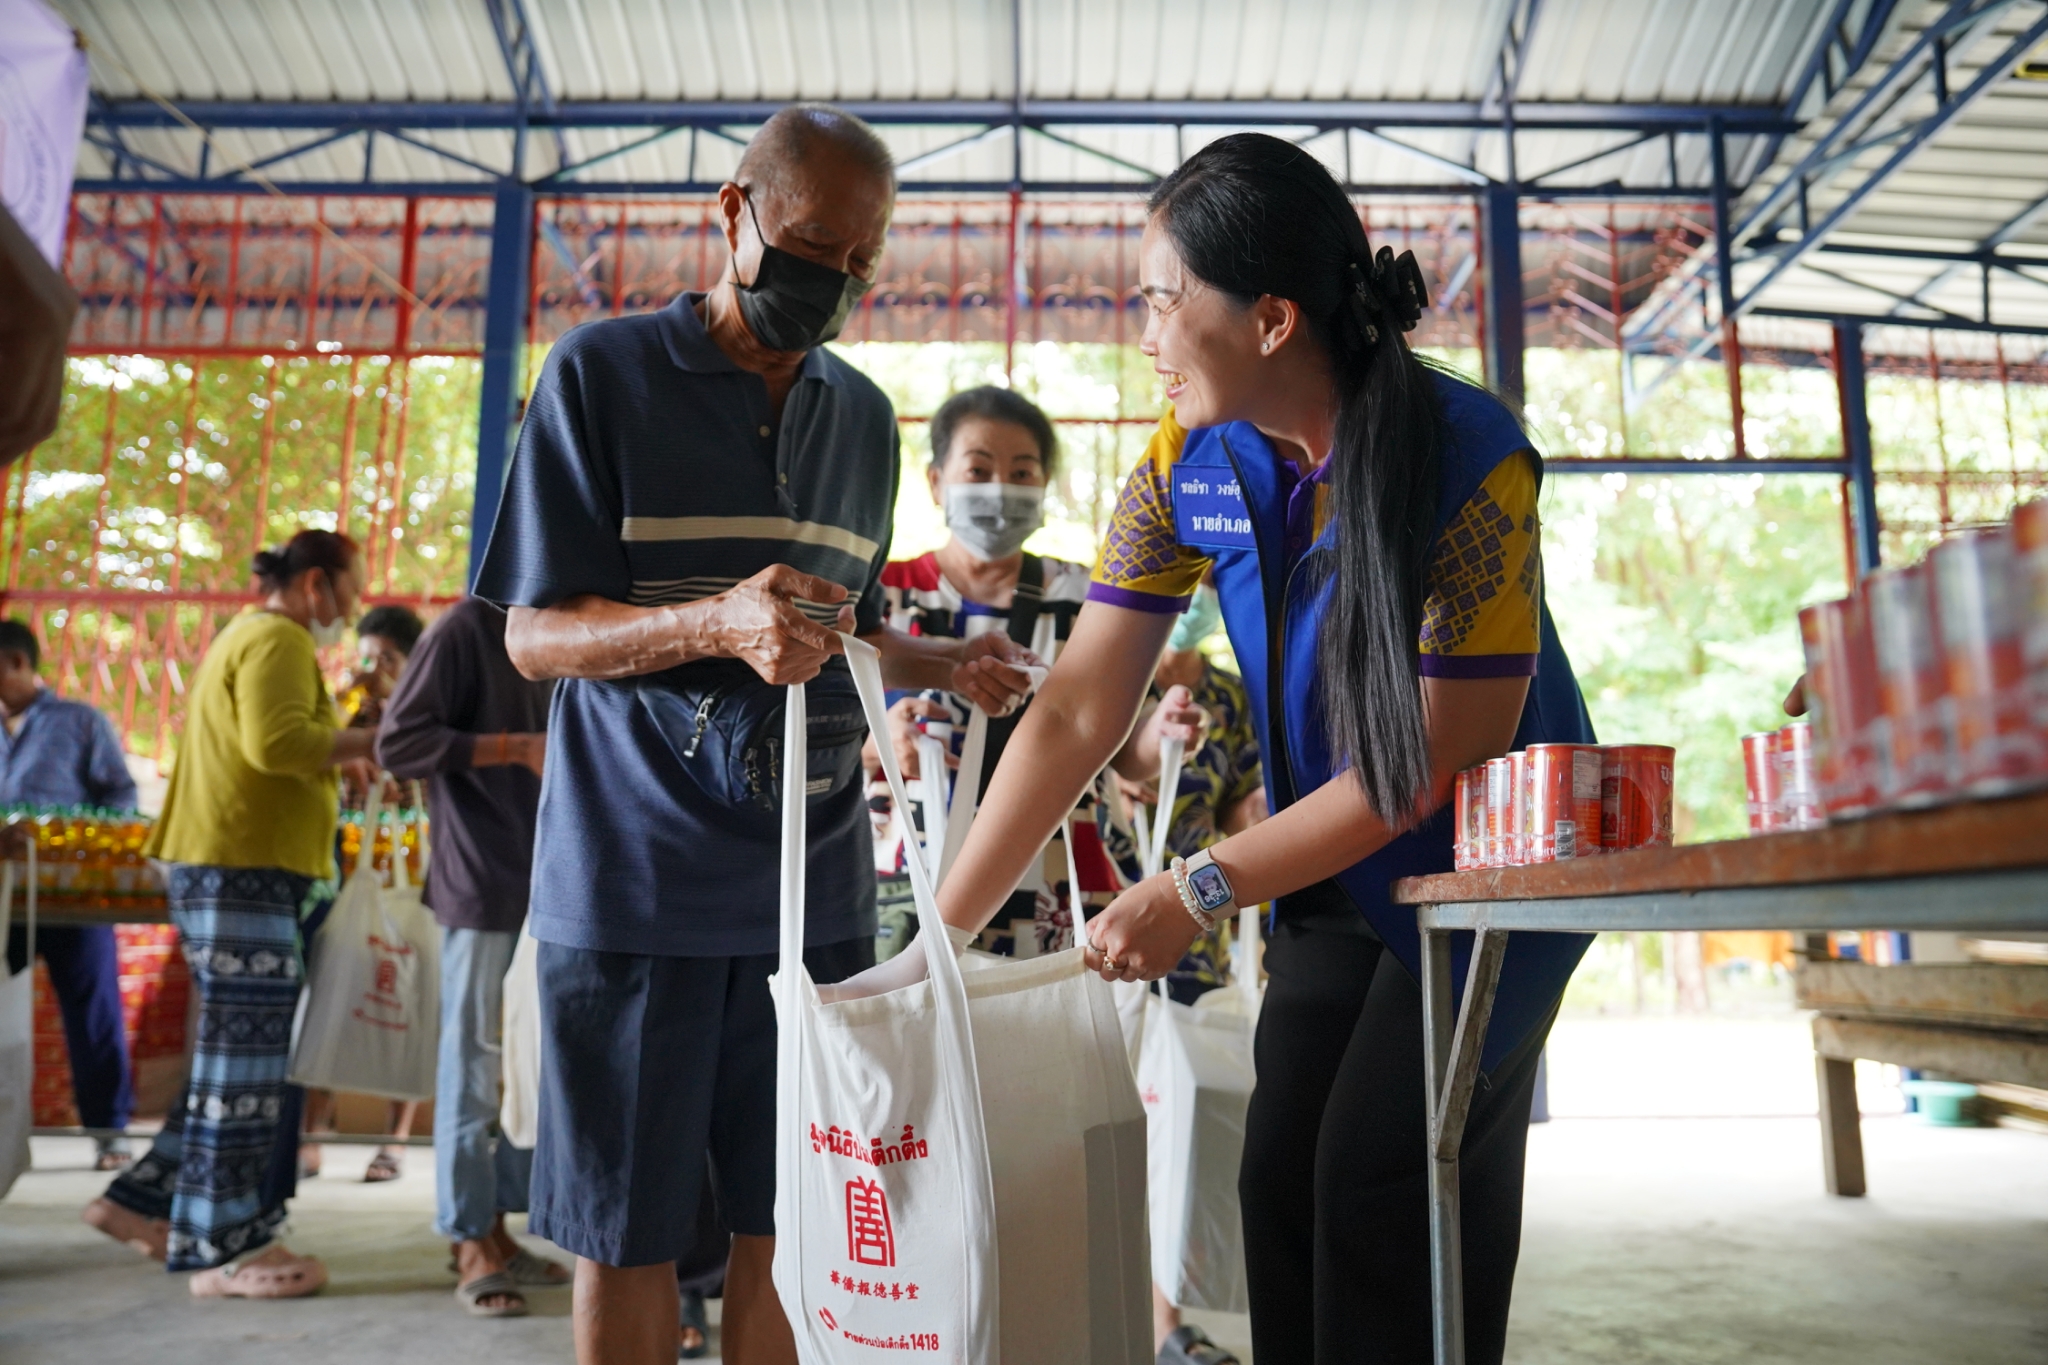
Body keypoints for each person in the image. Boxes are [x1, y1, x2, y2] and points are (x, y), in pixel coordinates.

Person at [826, 133, 1597, 1365]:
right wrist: (936, 943)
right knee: (1277, 1181)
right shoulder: (1187, 463)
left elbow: (1435, 757)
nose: (1144, 336)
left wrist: (1195, 886)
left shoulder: (1465, 459)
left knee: (1382, 1184)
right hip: (1333, 869)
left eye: (1160, 300)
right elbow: (1076, 709)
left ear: (1271, 320)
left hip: (1484, 877)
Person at [475, 103, 1033, 1365]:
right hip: (633, 889)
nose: (832, 280)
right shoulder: (600, 376)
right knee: (625, 1230)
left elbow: (843, 630)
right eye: (812, 245)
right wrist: (710, 623)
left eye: (859, 260)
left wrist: (941, 662)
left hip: (812, 897)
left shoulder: (863, 418)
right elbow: (535, 638)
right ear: (732, 213)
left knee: (793, 1221)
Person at [83, 528, 379, 1300]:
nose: (351, 611)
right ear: (315, 584)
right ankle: (223, 1245)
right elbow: (276, 744)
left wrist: (341, 751)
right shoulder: (278, 638)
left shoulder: (252, 635)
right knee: (247, 1061)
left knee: (232, 1056)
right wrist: (375, 739)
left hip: (235, 865)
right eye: (350, 592)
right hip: (238, 867)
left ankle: (137, 1202)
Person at [375, 595, 564, 1319]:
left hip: (551, 881)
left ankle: (500, 1226)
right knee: (473, 1057)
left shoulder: (565, 627)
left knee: (527, 1061)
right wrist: (514, 747)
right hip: (480, 880)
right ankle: (467, 1235)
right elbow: (398, 743)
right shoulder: (465, 629)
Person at [1095, 588, 1266, 1365]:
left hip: (1192, 938)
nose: (1198, 595)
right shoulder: (1106, 665)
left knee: (1174, 1134)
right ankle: (1127, 1318)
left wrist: (1263, 816)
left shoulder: (1231, 694)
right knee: (1102, 1121)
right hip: (1097, 927)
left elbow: (1240, 812)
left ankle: (1162, 1317)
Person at [877, 385, 1097, 951]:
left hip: (1050, 884)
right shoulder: (882, 599)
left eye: (1022, 472)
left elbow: (1129, 749)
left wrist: (1167, 733)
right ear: (936, 482)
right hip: (907, 878)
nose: (1000, 488)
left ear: (1044, 485)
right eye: (978, 469)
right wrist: (877, 744)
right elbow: (817, 733)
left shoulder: (1086, 600)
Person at [0, 619, 142, 1170]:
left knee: (93, 1013)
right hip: (4, 900)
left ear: (17, 663)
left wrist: (78, 841)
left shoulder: (81, 722)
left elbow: (121, 796)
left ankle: (110, 1131)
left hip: (73, 897)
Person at [301, 601, 429, 1183]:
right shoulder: (349, 710)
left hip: (410, 867)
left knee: (408, 991)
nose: (377, 670)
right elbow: (316, 753)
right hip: (345, 867)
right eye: (369, 658)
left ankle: (394, 1140)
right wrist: (352, 700)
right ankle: (313, 1129)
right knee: (332, 987)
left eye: (389, 660)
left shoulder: (426, 709)